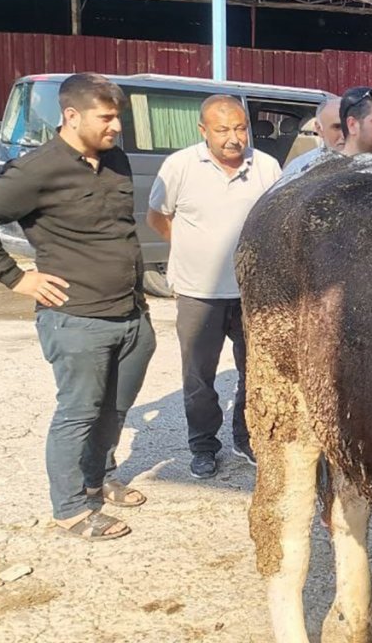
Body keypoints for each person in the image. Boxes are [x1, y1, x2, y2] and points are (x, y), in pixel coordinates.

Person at [0, 73, 156, 541]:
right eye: (106, 118)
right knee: (79, 412)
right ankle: (70, 509)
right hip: (77, 319)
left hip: (131, 314)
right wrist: (16, 277)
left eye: (117, 117)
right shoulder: (37, 170)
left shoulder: (115, 159)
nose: (115, 127)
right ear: (72, 115)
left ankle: (96, 481)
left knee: (116, 409)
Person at [146, 95, 281, 479]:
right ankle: (203, 446)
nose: (233, 138)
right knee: (198, 377)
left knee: (254, 372)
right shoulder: (180, 166)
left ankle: (247, 439)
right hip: (197, 294)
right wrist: (193, 251)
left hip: (252, 294)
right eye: (222, 130)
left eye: (240, 128)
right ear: (203, 130)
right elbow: (158, 218)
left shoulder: (266, 166)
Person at [281, 96, 344, 178]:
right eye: (337, 127)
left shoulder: (365, 163)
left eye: (351, 126)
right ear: (319, 129)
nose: (345, 134)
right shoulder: (299, 169)